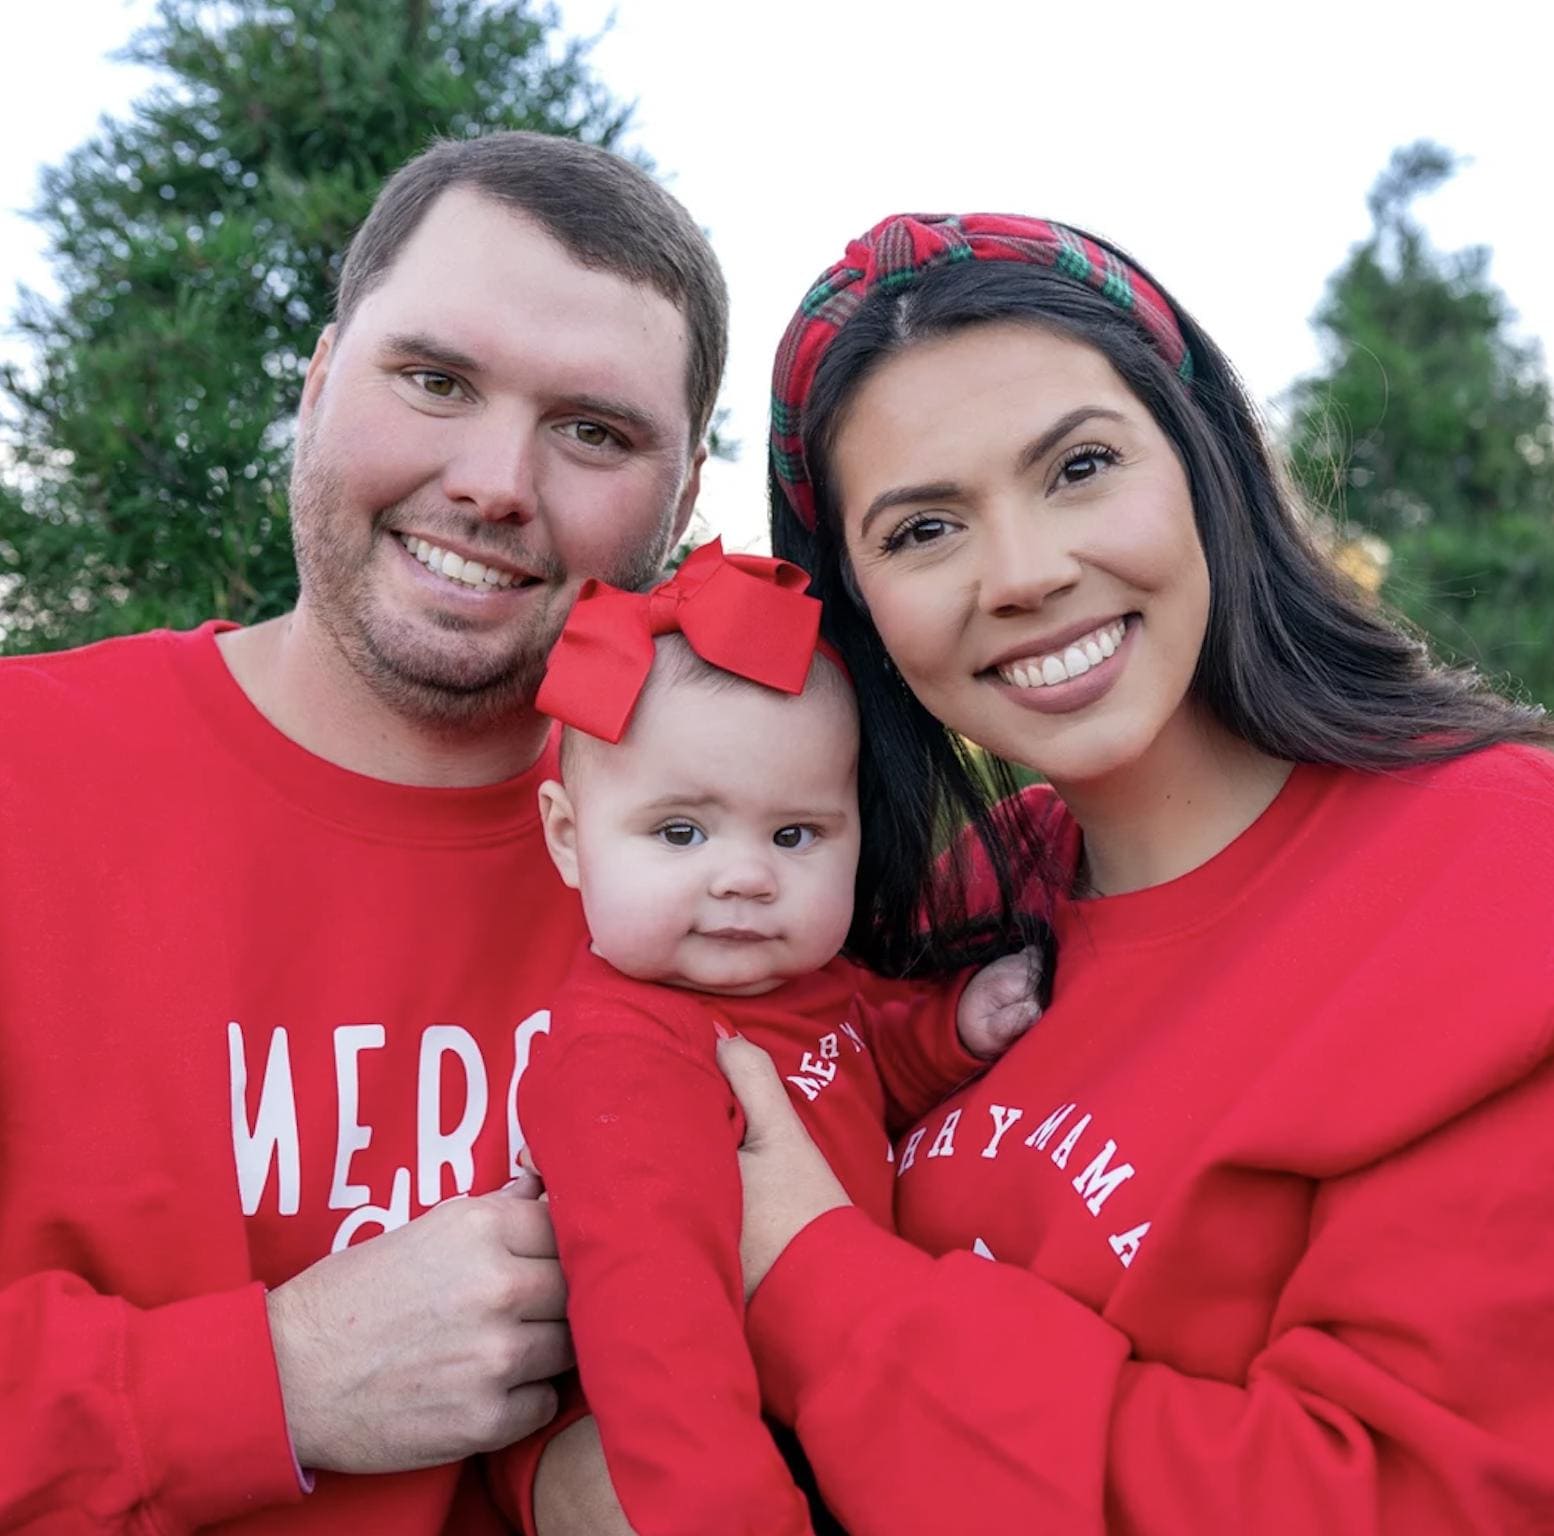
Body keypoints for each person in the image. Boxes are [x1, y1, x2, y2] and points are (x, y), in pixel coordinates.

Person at [711, 212, 1554, 1534]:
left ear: (1203, 457)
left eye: (1081, 466)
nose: (1025, 573)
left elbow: (1402, 1499)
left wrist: (814, 1287)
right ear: (859, 609)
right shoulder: (962, 901)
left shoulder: (1498, 876)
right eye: (923, 530)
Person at [0, 130, 727, 1534]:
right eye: (435, 380)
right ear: (321, 379)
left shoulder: (753, 882)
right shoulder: (21, 774)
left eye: (593, 430)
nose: (496, 481)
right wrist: (272, 1379)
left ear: (683, 498)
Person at [518, 539, 1038, 1536]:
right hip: (735, 1451)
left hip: (845, 1391)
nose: (747, 878)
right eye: (681, 832)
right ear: (568, 837)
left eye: (795, 835)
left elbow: (859, 1059)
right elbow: (658, 1345)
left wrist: (950, 1032)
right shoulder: (620, 1064)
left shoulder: (801, 984)